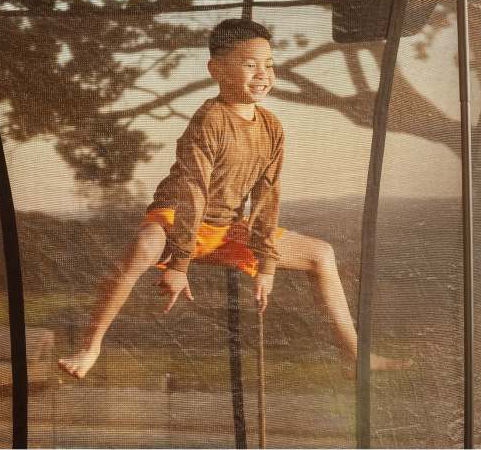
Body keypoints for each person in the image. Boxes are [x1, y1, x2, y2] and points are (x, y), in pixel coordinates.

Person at [58, 19, 408, 379]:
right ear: (217, 70)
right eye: (250, 64)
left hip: (225, 230)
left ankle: (353, 355)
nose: (263, 74)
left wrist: (266, 263)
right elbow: (192, 192)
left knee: (321, 253)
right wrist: (179, 264)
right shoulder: (210, 119)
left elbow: (267, 196)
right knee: (142, 246)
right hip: (178, 220)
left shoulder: (271, 126)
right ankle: (90, 346)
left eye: (269, 65)